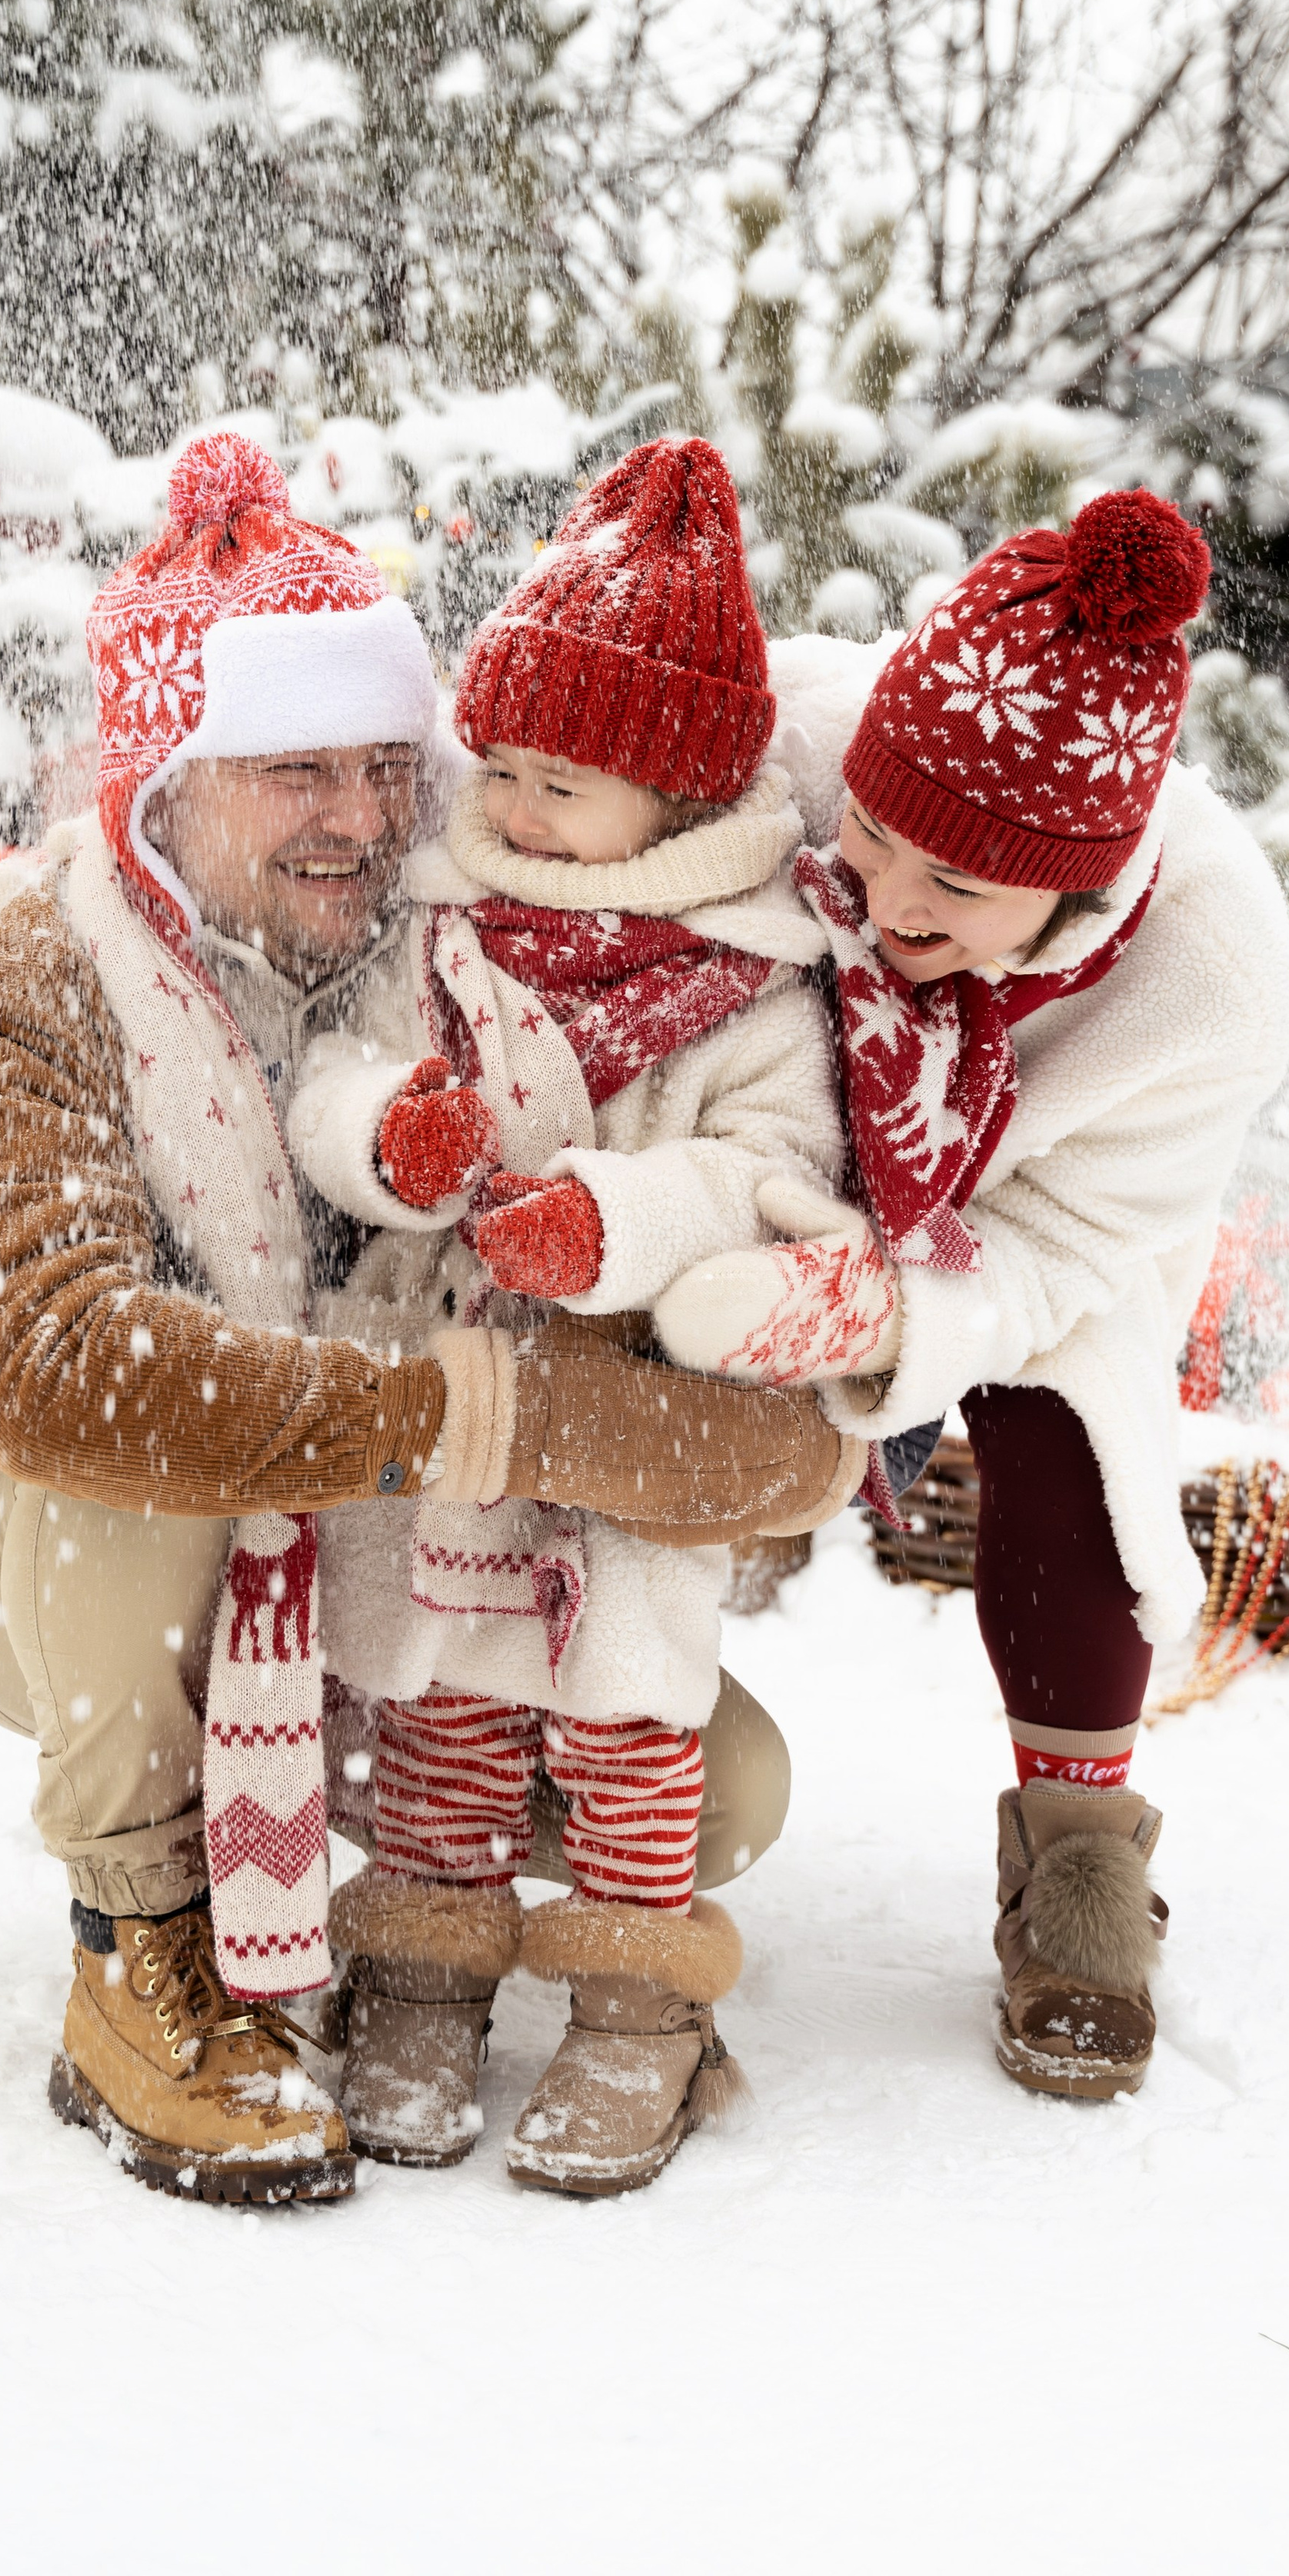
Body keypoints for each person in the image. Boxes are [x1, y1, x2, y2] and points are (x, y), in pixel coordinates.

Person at [0, 432, 861, 2208]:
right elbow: (51, 1371)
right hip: (20, 1553)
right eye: (296, 767)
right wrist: (440, 1406)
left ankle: (378, 1860)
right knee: (128, 1446)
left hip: (373, 1557)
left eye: (387, 765)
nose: (362, 818)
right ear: (163, 783)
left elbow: (785, 1450)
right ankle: (135, 1939)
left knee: (724, 1790)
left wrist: (547, 1408)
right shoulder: (40, 981)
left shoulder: (462, 968)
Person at [655, 490, 1289, 2101]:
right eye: (869, 840)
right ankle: (591, 1768)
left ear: (1076, 897)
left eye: (957, 885)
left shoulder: (1206, 975)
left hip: (1030, 1235)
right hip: (771, 1136)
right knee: (639, 1402)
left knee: (1069, 1445)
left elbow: (1077, 1255)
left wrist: (885, 1318)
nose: (886, 901)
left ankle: (1077, 1862)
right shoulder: (800, 727)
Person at [288, 436, 842, 2197]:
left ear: (675, 807)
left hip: (626, 1406)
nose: (518, 810)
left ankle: (632, 1997)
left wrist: (605, 1217)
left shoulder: (745, 981)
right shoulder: (443, 929)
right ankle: (426, 1959)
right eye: (504, 765)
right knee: (443, 1688)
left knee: (626, 1708)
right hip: (453, 1390)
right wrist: (392, 1131)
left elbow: (771, 1172)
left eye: (570, 787)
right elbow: (330, 1067)